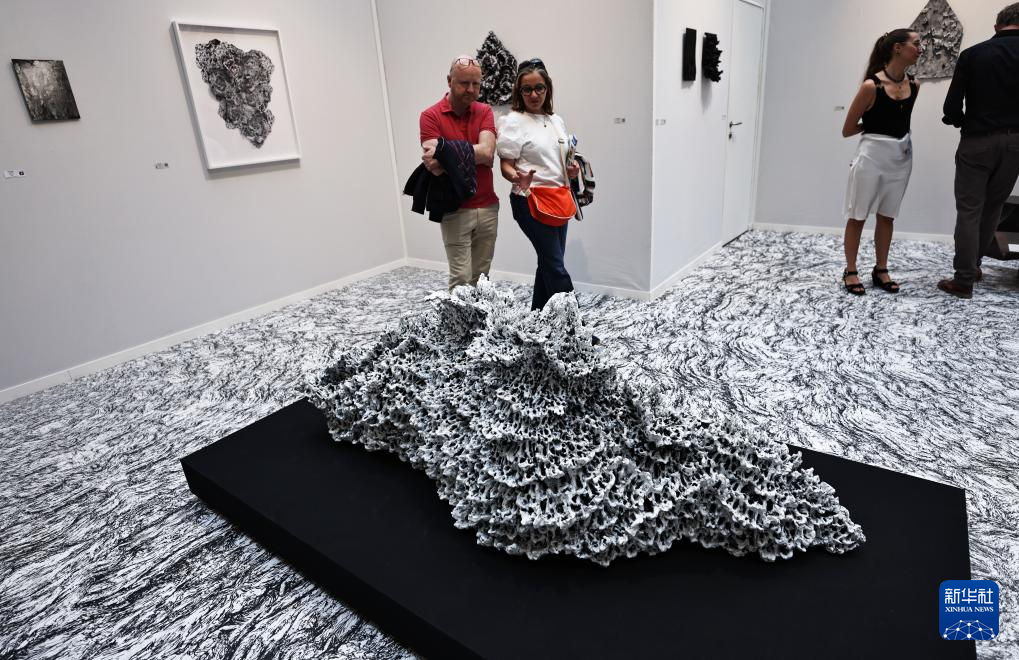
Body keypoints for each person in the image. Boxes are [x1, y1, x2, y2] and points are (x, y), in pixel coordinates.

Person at [937, 3, 1019, 299]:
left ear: (997, 25)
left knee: (969, 211)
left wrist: (963, 121)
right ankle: (975, 265)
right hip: (1015, 143)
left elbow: (951, 107)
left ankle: (963, 280)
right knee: (994, 207)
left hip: (977, 140)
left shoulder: (973, 54)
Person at [840, 29, 923, 295]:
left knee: (888, 216)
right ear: (898, 48)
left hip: (901, 158)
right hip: (871, 157)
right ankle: (851, 270)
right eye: (916, 44)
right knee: (858, 215)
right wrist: (875, 124)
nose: (920, 48)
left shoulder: (915, 84)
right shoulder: (871, 86)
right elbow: (848, 129)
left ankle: (881, 268)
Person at [496, 58, 581, 310]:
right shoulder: (513, 121)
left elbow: (559, 161)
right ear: (519, 91)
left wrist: (571, 170)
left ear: (548, 88)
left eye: (539, 88)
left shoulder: (556, 121)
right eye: (527, 89)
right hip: (529, 200)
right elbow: (505, 165)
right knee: (555, 266)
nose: (534, 95)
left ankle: (538, 316)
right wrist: (516, 177)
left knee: (549, 262)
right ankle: (573, 325)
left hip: (559, 199)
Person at [420, 55, 499, 291]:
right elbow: (433, 162)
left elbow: (488, 153)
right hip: (454, 209)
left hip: (488, 206)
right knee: (461, 280)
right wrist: (472, 153)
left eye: (476, 84)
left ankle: (477, 315)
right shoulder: (430, 116)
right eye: (464, 83)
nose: (471, 90)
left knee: (481, 278)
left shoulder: (484, 111)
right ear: (449, 81)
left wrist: (447, 152)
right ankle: (459, 318)